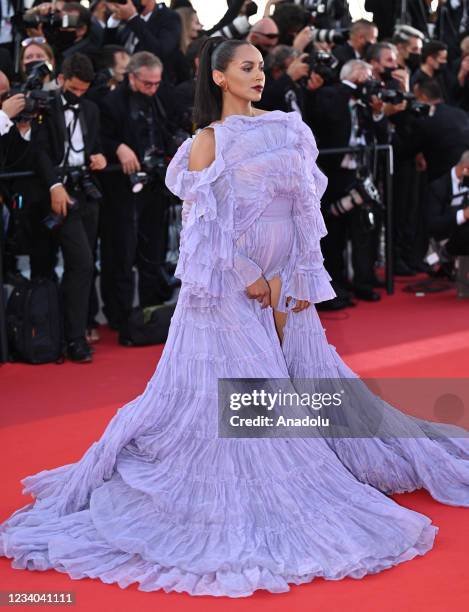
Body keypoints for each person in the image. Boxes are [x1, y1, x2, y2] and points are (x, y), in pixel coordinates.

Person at [1, 36, 469, 598]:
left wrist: (301, 274)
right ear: (218, 77)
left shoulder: (289, 128)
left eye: (261, 67)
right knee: (248, 405)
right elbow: (204, 234)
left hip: (285, 283)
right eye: (246, 67)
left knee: (310, 390)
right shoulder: (206, 142)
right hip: (227, 290)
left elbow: (304, 208)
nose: (259, 75)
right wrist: (250, 274)